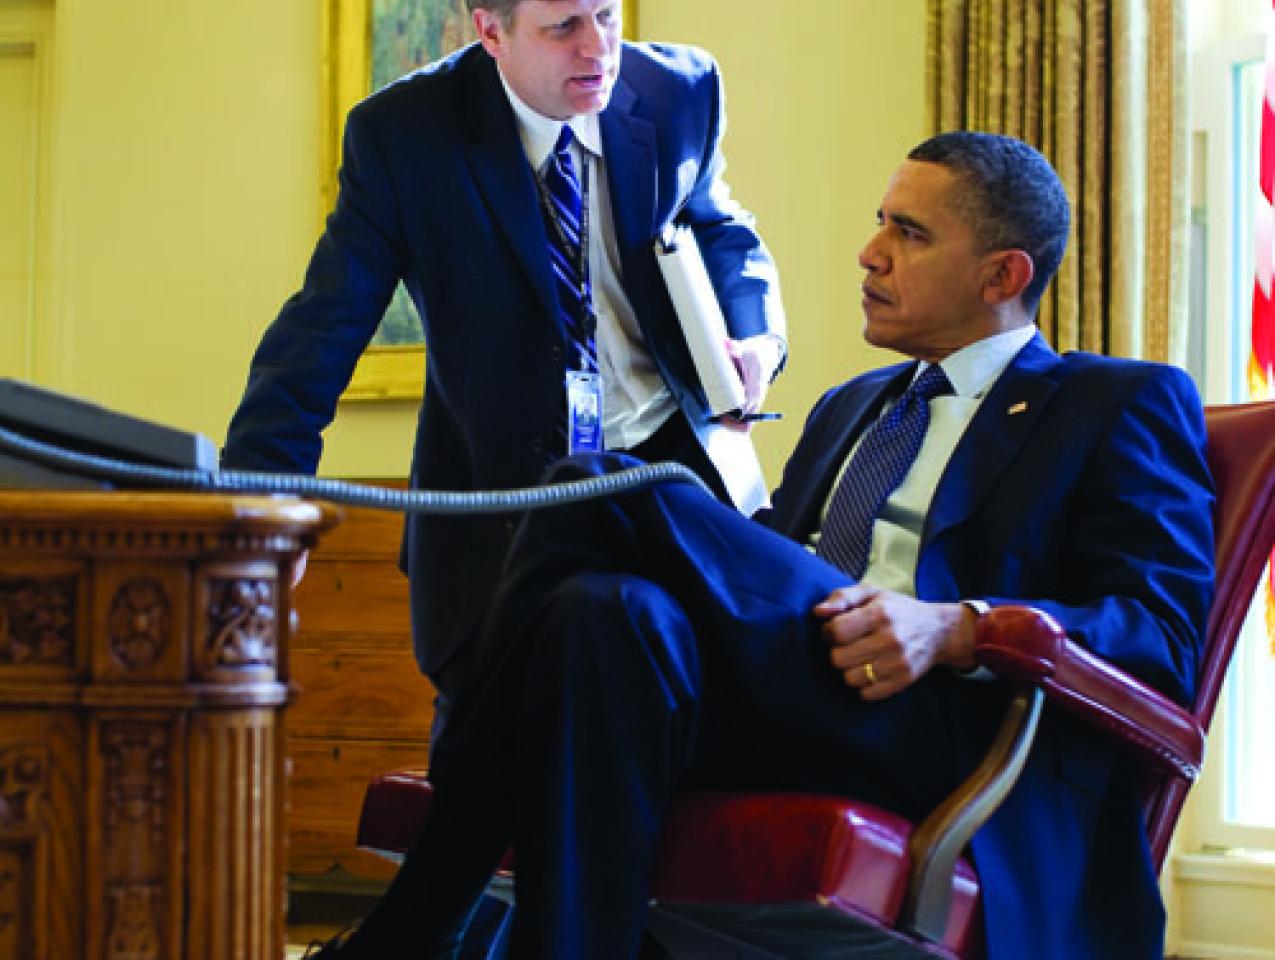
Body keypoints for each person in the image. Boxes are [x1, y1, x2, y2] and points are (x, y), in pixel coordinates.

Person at [308, 131, 1215, 960]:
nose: (870, 253)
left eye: (908, 233)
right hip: (786, 696)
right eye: (877, 223)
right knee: (604, 613)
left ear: (999, 275)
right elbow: (763, 580)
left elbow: (1160, 635)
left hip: (934, 720)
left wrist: (955, 627)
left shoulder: (1115, 403)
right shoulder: (849, 406)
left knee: (624, 485)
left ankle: (429, 902)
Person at [220, 0, 786, 732]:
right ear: (491, 32)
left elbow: (721, 229)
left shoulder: (679, 89)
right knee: (498, 772)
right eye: (563, 28)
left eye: (607, 15)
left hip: (669, 469)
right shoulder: (405, 135)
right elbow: (321, 330)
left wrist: (756, 338)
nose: (597, 48)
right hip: (505, 507)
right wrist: (262, 502)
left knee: (693, 742)